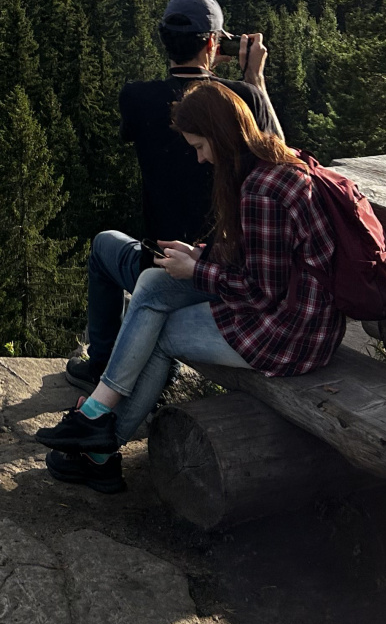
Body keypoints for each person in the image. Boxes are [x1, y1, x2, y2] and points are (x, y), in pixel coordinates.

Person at [39, 81, 345, 493]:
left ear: (220, 135)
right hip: (294, 315)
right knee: (152, 282)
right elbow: (256, 258)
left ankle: (101, 446)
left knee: (162, 333)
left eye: (200, 146)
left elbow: (262, 292)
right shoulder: (270, 161)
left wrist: (197, 272)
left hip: (292, 335)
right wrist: (200, 255)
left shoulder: (262, 190)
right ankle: (95, 420)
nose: (200, 158)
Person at [66, 0, 280, 395]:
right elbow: (282, 155)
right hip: (225, 268)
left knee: (103, 247)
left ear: (164, 41)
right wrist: (255, 79)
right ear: (214, 44)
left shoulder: (135, 98)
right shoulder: (244, 98)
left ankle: (101, 362)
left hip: (159, 265)